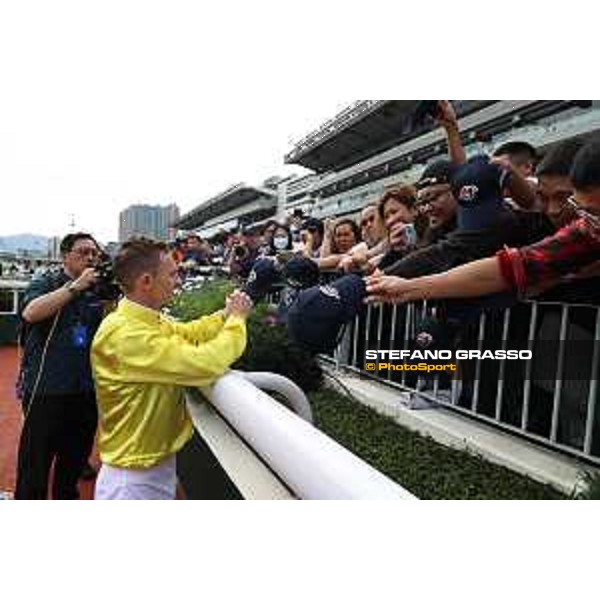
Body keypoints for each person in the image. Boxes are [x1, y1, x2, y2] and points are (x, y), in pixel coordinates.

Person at [91, 237, 252, 500]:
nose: (178, 281)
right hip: (133, 478)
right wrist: (236, 320)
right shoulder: (127, 335)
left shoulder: (141, 320)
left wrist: (223, 315)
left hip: (150, 464)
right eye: (173, 274)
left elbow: (187, 333)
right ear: (145, 282)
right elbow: (206, 363)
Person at [366, 140, 600, 304]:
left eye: (563, 198)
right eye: (585, 211)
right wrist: (405, 287)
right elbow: (506, 268)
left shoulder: (513, 220)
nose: (554, 210)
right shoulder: (586, 230)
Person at [14, 232, 105, 499]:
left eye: (94, 253)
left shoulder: (98, 288)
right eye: (83, 252)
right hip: (46, 386)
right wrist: (76, 286)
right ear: (65, 256)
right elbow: (31, 312)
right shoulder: (48, 280)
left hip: (85, 388)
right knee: (36, 463)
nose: (90, 257)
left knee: (74, 459)